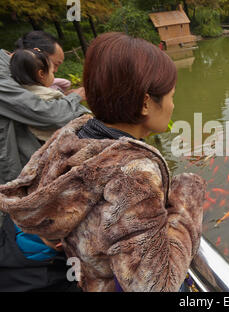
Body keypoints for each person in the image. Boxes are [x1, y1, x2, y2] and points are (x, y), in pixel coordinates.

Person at [0, 32, 206, 292]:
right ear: (145, 103)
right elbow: (155, 287)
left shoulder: (72, 136)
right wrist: (187, 199)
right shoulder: (133, 173)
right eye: (171, 96)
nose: (173, 106)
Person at [0, 31, 89, 292]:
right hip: (17, 208)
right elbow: (48, 114)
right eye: (56, 65)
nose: (52, 71)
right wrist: (76, 97)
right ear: (37, 62)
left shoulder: (14, 76)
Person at [10, 48, 66, 141]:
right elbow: (68, 114)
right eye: (52, 72)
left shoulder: (19, 94)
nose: (54, 74)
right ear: (41, 74)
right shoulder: (50, 96)